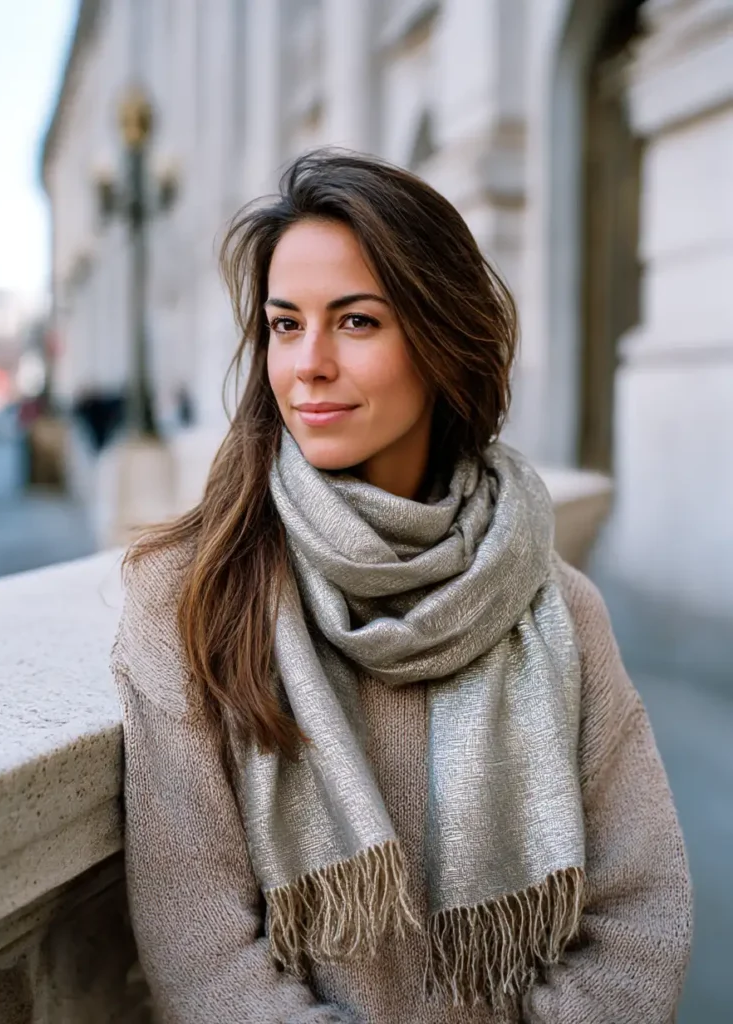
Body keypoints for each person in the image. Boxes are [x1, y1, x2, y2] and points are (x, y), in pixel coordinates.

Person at [112, 150, 692, 1023]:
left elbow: (640, 916)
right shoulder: (190, 597)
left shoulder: (558, 605)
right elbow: (203, 955)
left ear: (439, 338)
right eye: (284, 325)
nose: (307, 364)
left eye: (355, 322)